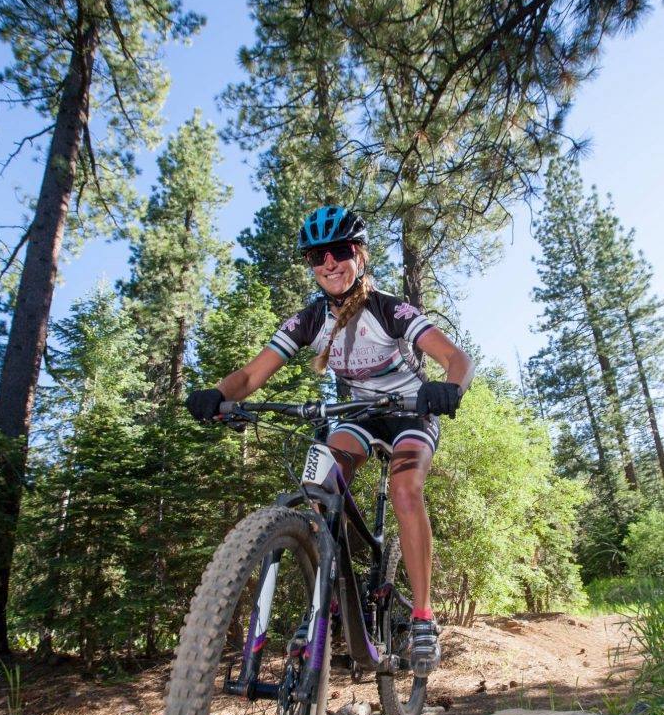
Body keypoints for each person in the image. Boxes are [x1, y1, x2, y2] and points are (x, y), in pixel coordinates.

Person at [187, 205, 474, 674]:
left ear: (359, 254)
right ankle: (330, 596)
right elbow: (251, 375)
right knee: (319, 484)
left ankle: (423, 617)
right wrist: (218, 395)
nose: (329, 263)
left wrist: (449, 388)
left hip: (409, 414)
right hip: (359, 416)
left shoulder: (388, 309)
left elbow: (457, 359)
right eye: (316, 256)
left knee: (405, 490)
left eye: (339, 251)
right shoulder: (309, 320)